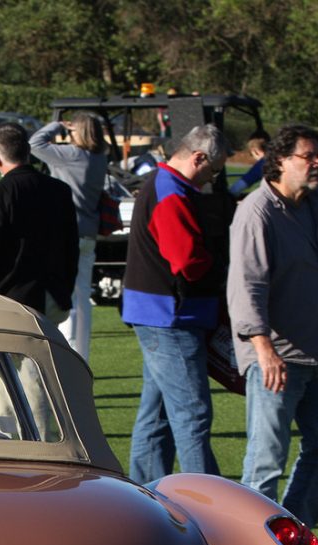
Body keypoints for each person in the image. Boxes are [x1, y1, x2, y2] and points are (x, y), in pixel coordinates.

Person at [227, 123, 318, 530]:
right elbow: (246, 287)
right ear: (279, 160)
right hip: (276, 358)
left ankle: (292, 537)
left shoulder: (312, 204)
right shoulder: (256, 212)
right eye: (308, 156)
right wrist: (264, 350)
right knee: (266, 461)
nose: (317, 164)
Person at [122, 123, 231, 485]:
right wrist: (220, 264)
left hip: (159, 312)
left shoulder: (163, 184)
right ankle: (210, 501)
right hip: (171, 316)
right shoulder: (171, 191)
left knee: (157, 417)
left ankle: (144, 494)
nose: (211, 178)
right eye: (213, 170)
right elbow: (186, 261)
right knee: (192, 415)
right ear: (198, 157)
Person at [0, 122, 78, 437]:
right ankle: (26, 437)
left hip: (8, 300)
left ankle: (22, 440)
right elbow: (71, 249)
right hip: (50, 295)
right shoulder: (59, 191)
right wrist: (65, 290)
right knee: (29, 374)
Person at [29, 112, 109, 361]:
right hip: (88, 232)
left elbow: (34, 144)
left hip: (67, 232)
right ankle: (81, 354)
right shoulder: (99, 158)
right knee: (82, 296)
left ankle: (69, 353)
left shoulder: (71, 155)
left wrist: (56, 126)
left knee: (66, 295)